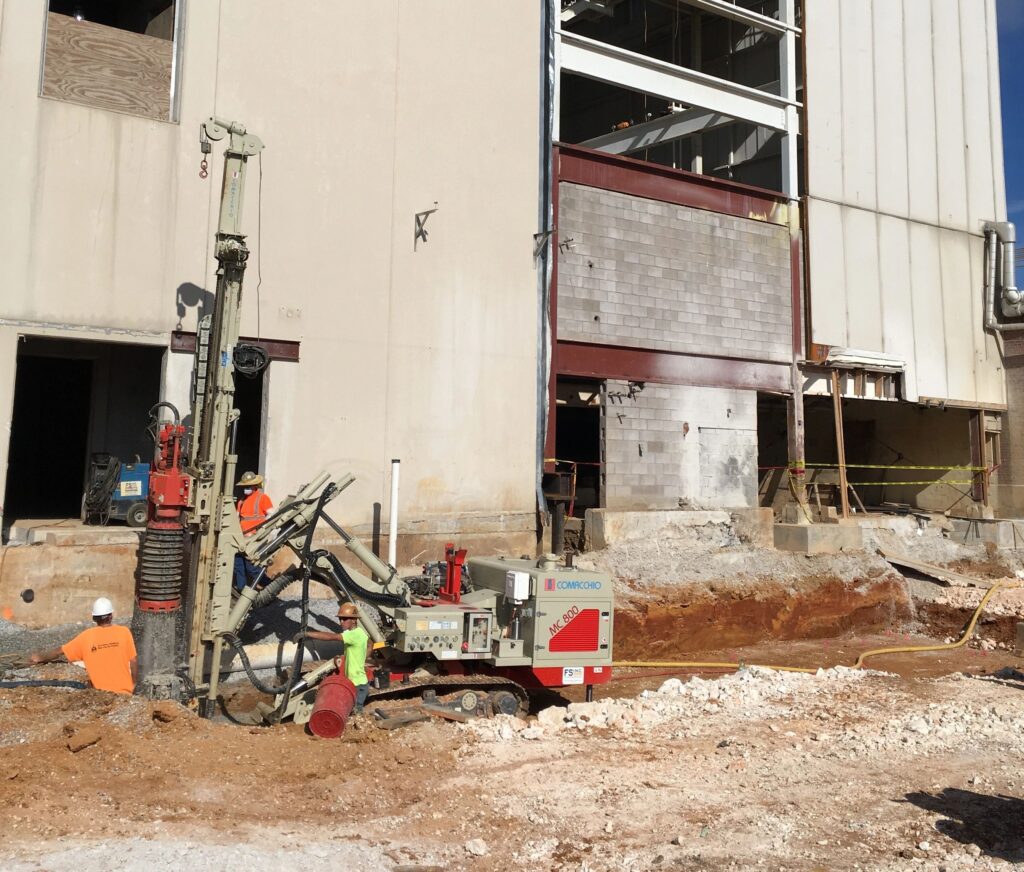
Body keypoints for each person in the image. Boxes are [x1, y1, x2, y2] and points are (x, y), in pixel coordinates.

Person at [29, 597, 137, 694]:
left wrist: (39, 657)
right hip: (125, 694)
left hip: (102, 696)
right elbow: (133, 661)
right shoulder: (124, 632)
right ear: (111, 615)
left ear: (94, 618)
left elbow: (59, 651)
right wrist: (134, 684)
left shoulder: (86, 637)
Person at [305, 602, 371, 714]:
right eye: (340, 619)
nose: (341, 622)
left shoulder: (352, 635)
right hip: (357, 682)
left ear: (354, 620)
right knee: (351, 712)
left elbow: (332, 637)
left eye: (345, 619)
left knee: (355, 713)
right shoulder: (360, 633)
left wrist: (307, 634)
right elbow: (370, 644)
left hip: (357, 684)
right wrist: (360, 659)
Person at [234, 470, 273, 591]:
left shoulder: (262, 498)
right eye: (245, 486)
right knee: (238, 566)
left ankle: (270, 587)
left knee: (252, 568)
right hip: (241, 539)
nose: (246, 488)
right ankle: (242, 591)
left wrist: (263, 531)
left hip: (254, 539)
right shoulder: (241, 501)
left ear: (255, 486)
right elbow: (236, 518)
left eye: (248, 486)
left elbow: (271, 515)